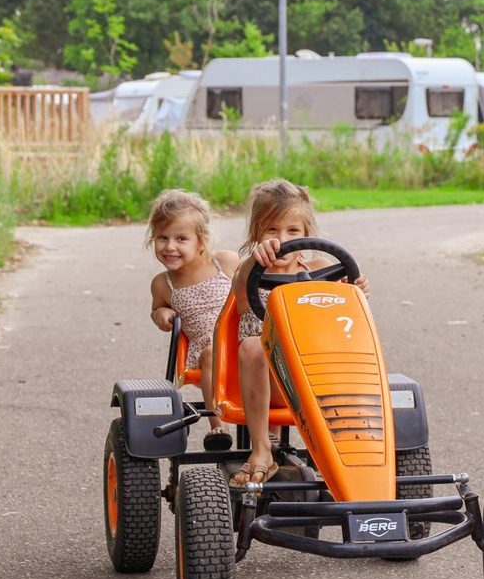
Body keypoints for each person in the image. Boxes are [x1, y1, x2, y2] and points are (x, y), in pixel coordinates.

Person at [231, 180, 370, 485]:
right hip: (275, 380)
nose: (281, 239)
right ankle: (261, 450)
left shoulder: (321, 268)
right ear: (257, 233)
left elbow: (345, 318)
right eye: (271, 230)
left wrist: (355, 292)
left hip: (318, 376)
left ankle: (359, 460)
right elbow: (241, 290)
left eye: (292, 231)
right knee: (254, 346)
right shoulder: (251, 272)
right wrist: (256, 258)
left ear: (306, 234)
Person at [147, 189, 237, 450]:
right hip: (206, 351)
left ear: (201, 241)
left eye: (181, 238)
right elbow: (157, 309)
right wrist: (161, 314)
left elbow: (254, 288)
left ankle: (271, 434)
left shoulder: (225, 263)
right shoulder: (163, 284)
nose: (170, 246)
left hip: (241, 338)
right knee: (211, 353)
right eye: (162, 238)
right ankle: (218, 426)